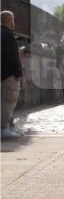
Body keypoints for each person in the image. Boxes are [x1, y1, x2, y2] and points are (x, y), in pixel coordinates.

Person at [1, 11, 23, 140]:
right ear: (9, 20)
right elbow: (13, 57)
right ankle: (4, 128)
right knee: (8, 101)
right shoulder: (8, 35)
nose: (14, 21)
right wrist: (18, 72)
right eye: (13, 19)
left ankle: (8, 126)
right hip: (9, 75)